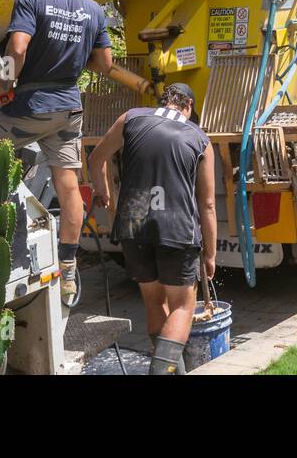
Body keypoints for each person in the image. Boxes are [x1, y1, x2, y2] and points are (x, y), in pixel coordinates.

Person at [0, 0, 115, 307]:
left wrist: (4, 82)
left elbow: (17, 48)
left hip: (30, 106)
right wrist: (72, 56)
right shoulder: (93, 10)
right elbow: (106, 64)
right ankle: (68, 266)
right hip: (68, 108)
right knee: (68, 187)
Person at [88, 83, 216, 376]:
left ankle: (172, 372)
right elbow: (207, 204)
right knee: (183, 307)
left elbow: (96, 159)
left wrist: (104, 192)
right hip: (177, 227)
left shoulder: (131, 117)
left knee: (154, 300)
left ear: (163, 101)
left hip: (133, 222)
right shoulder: (199, 138)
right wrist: (210, 253)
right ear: (189, 107)